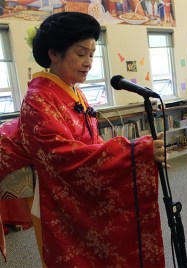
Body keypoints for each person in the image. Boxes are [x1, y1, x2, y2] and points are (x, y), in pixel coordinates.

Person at [0, 12, 165, 267]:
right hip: (49, 190)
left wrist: (131, 152)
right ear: (54, 54)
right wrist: (132, 153)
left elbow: (92, 141)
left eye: (92, 54)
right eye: (80, 53)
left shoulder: (75, 92)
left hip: (75, 179)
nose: (89, 62)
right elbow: (60, 154)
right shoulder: (37, 99)